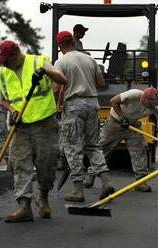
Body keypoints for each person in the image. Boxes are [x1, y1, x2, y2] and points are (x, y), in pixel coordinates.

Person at [0, 40, 67, 222]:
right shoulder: (2, 72)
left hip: (44, 124)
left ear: (16, 54)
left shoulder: (38, 62)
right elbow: (3, 99)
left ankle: (42, 196)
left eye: (5, 60)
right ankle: (24, 206)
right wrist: (12, 109)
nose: (3, 64)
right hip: (21, 126)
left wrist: (46, 71)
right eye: (0, 61)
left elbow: (62, 79)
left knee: (46, 164)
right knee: (20, 164)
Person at [83, 87, 158, 192]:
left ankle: (140, 182)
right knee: (103, 149)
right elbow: (113, 101)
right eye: (150, 104)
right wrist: (122, 118)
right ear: (144, 99)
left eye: (154, 104)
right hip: (115, 123)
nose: (152, 107)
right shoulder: (134, 95)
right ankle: (91, 175)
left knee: (140, 150)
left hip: (133, 125)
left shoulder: (156, 107)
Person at [53, 31, 115, 202]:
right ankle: (106, 181)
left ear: (60, 46)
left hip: (74, 106)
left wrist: (56, 107)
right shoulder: (89, 59)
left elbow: (56, 88)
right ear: (73, 42)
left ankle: (78, 190)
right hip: (92, 103)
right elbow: (101, 83)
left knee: (73, 147)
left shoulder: (61, 61)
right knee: (93, 145)